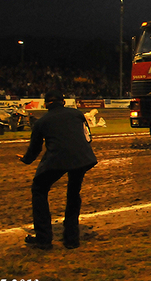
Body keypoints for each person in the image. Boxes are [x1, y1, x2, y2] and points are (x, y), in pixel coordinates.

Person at [17, 91, 97, 250]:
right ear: (64, 102)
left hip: (57, 159)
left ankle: (44, 238)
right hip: (83, 158)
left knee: (39, 189)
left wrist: (26, 159)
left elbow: (35, 148)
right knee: (73, 193)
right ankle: (72, 239)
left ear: (46, 104)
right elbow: (88, 138)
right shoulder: (77, 114)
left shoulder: (42, 122)